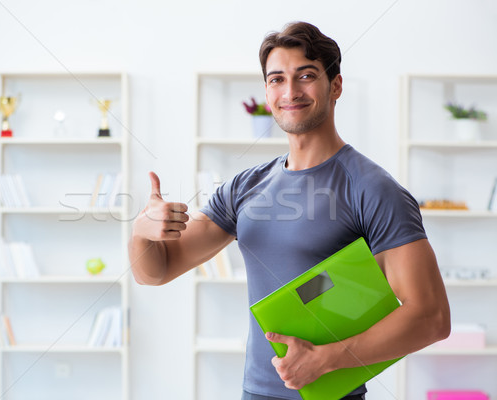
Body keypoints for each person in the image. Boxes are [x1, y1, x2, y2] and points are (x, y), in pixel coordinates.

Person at [129, 21, 450, 400]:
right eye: (277, 79)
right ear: (267, 90)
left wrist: (327, 359)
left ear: (336, 86)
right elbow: (157, 271)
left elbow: (431, 317)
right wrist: (141, 231)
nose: (290, 91)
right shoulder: (246, 187)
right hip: (255, 393)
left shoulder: (372, 189)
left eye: (306, 76)